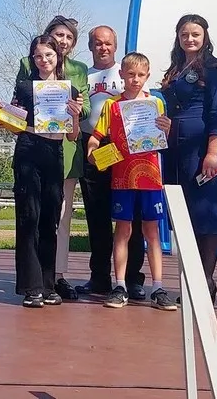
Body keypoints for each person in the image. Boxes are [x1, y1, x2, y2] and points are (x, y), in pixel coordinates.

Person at [86, 52, 177, 311]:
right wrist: (92, 153)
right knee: (123, 231)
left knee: (152, 233)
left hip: (150, 176)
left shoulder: (156, 103)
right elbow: (96, 137)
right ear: (121, 75)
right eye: (130, 75)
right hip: (122, 177)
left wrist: (168, 128)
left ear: (147, 76)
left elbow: (165, 138)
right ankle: (120, 286)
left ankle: (158, 287)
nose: (135, 79)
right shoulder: (112, 105)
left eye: (140, 75)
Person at [15, 15, 89, 300]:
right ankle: (31, 287)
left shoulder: (70, 89)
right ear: (32, 59)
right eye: (38, 56)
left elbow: (72, 136)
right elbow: (15, 123)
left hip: (55, 152)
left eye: (48, 55)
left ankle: (48, 285)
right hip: (29, 149)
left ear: (58, 57)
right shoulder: (24, 87)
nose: (43, 60)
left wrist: (74, 115)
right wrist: (2, 113)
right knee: (29, 217)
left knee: (50, 219)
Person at [159, 14, 217, 303]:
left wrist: (212, 153)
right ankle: (190, 283)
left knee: (205, 217)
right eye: (184, 34)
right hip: (173, 152)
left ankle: (205, 284)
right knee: (182, 217)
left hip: (200, 151)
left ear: (205, 37)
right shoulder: (175, 69)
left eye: (195, 34)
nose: (189, 39)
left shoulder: (215, 69)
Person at [75, 25, 148, 299]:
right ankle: (100, 277)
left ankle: (133, 279)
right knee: (97, 215)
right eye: (97, 43)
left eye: (107, 43)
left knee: (133, 217)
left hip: (128, 150)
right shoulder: (84, 76)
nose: (103, 47)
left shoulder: (128, 71)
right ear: (90, 46)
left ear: (115, 46)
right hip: (94, 146)